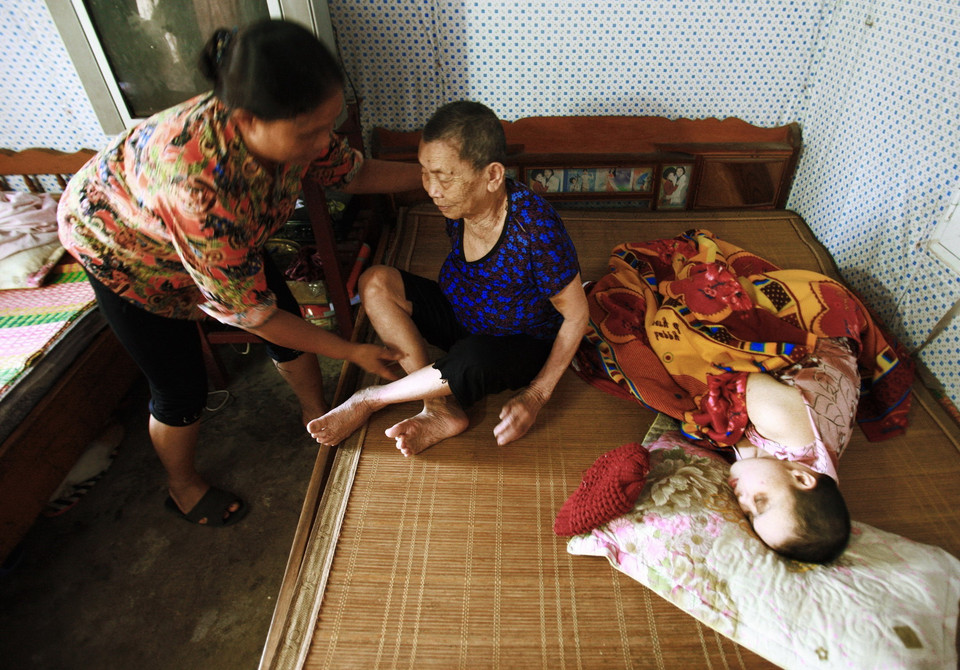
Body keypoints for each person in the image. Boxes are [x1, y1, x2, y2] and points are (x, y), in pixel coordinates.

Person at [57, 19, 422, 526]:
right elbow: (253, 315)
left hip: (220, 241)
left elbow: (353, 171)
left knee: (285, 314)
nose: (323, 143)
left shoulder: (290, 124)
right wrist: (351, 350)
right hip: (126, 254)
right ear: (248, 121)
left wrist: (437, 177)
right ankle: (182, 488)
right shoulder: (198, 186)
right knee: (180, 389)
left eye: (329, 125)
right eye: (310, 133)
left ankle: (313, 412)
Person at [307, 100, 589, 456]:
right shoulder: (457, 204)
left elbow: (577, 314)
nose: (432, 188)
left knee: (473, 357)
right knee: (375, 281)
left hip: (517, 343)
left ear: (492, 176)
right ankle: (440, 409)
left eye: (444, 176)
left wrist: (536, 395)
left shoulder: (535, 229)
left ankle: (371, 399)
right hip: (461, 313)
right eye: (426, 172)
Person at [727, 336, 857, 563]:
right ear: (801, 478)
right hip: (818, 337)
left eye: (749, 515)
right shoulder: (784, 422)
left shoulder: (777, 467)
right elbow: (738, 376)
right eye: (759, 501)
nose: (742, 501)